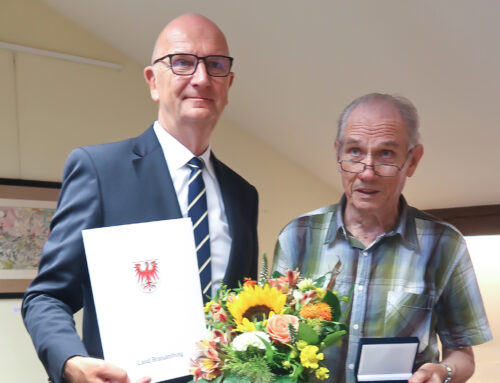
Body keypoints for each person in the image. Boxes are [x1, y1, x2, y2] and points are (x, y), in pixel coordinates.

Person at [22, 13, 259, 383]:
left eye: (215, 65)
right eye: (182, 63)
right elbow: (46, 297)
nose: (200, 78)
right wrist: (70, 361)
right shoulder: (100, 171)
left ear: (228, 84)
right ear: (153, 81)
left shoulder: (244, 195)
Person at [273, 93, 492, 383]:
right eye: (354, 151)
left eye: (386, 154)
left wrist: (444, 371)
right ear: (338, 153)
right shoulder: (297, 237)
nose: (367, 172)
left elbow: (462, 355)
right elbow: (271, 344)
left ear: (412, 161)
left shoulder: (444, 245)